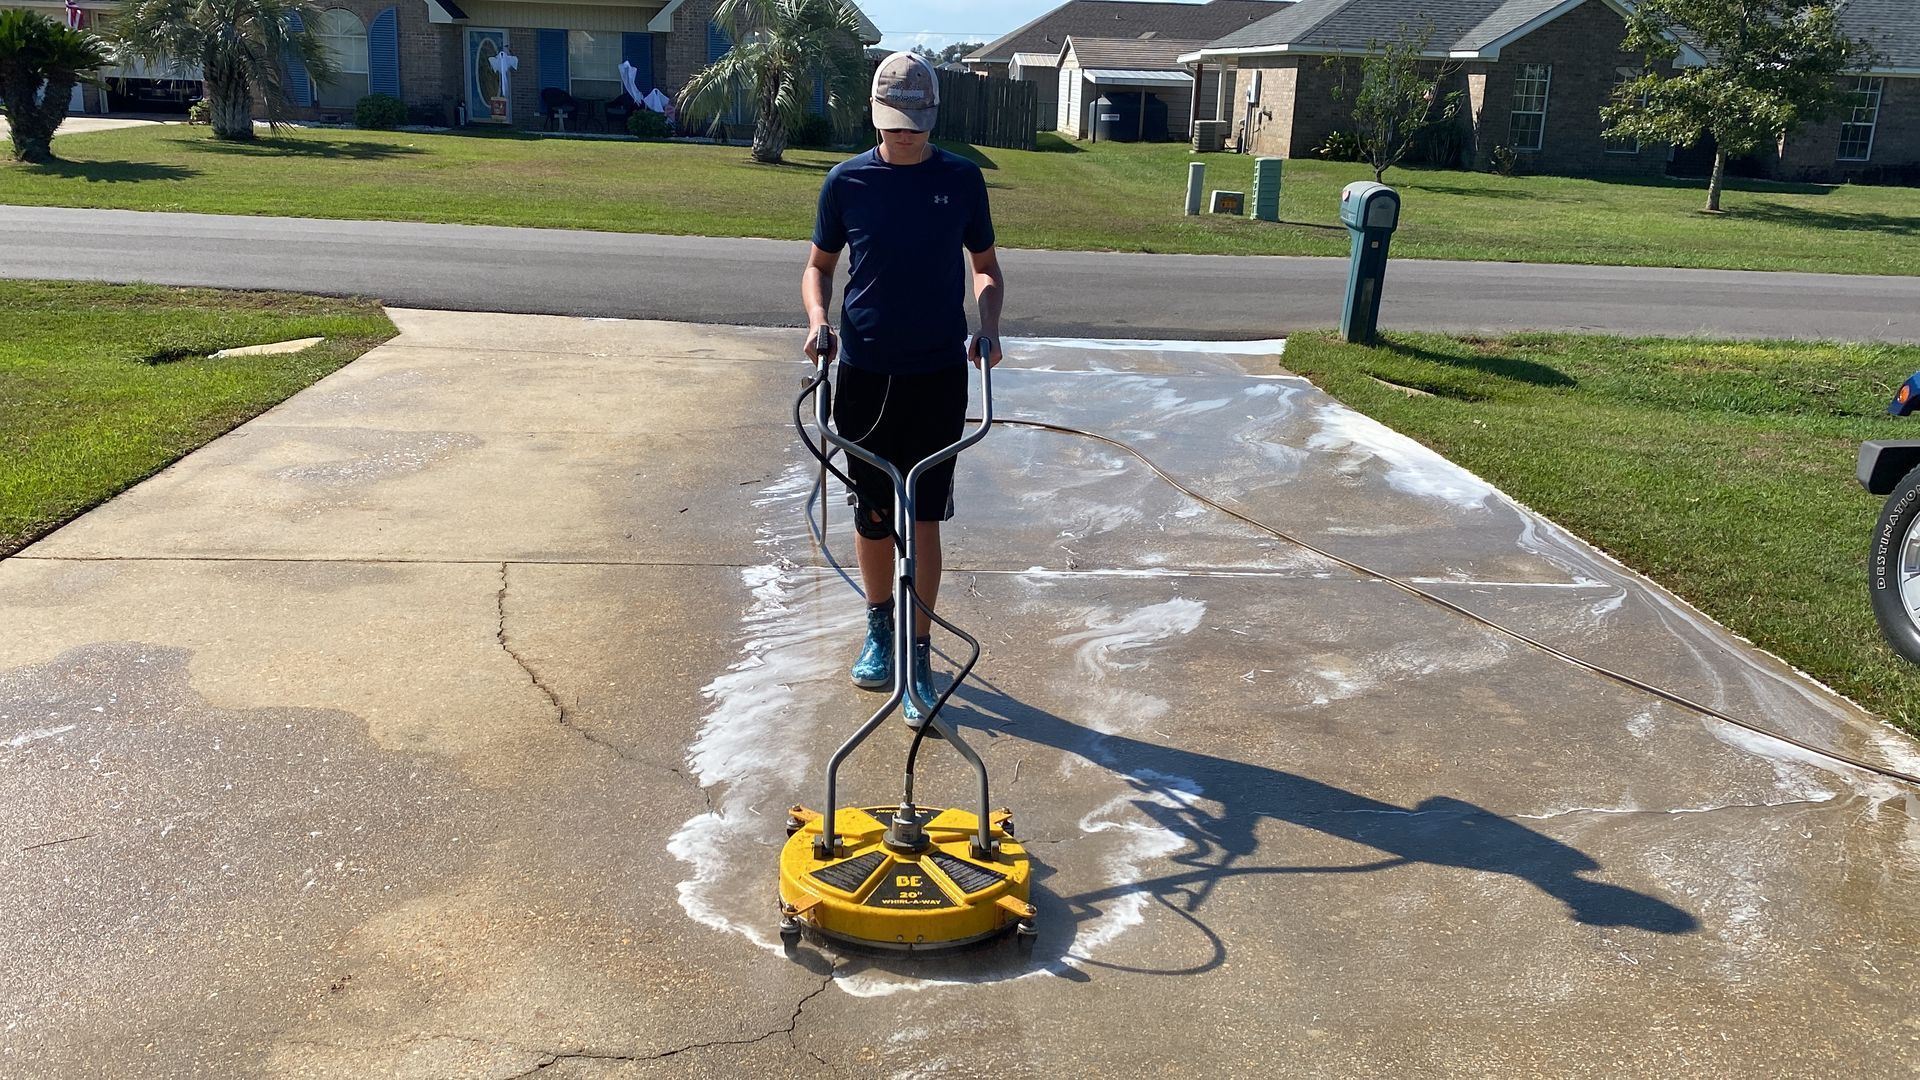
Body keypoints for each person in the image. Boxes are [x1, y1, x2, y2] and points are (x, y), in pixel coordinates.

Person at [801, 51, 1005, 729]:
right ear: (875, 116)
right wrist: (818, 321)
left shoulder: (962, 181)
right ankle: (879, 630)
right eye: (893, 124)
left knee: (925, 515)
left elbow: (984, 268)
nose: (904, 136)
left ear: (931, 117)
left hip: (937, 375)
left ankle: (920, 650)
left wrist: (989, 324)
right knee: (873, 513)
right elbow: (818, 267)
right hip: (863, 374)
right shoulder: (847, 182)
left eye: (914, 124)